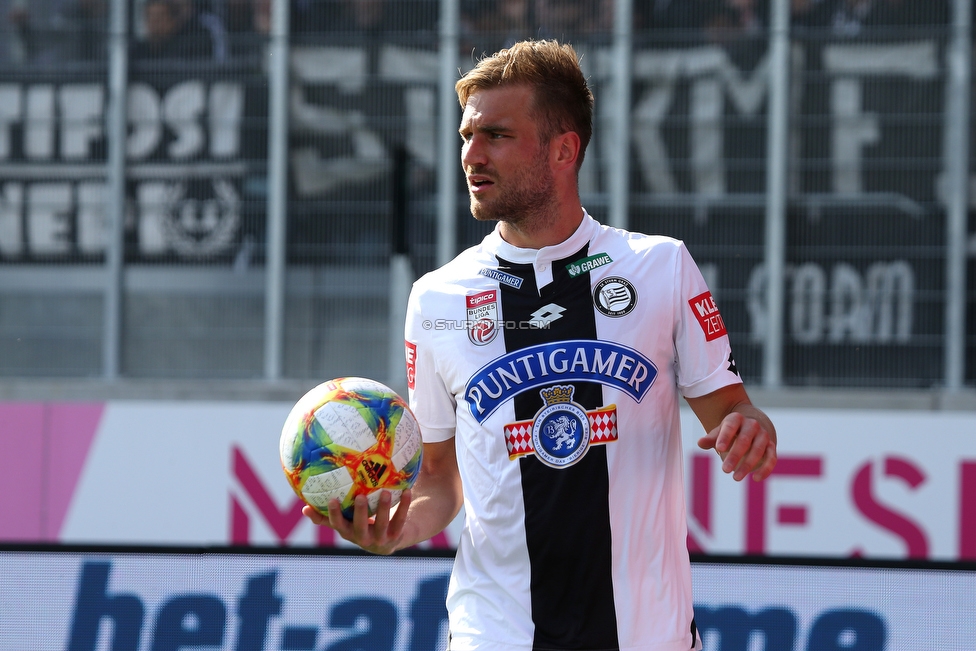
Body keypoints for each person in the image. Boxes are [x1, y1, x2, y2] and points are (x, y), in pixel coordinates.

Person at [303, 39, 777, 651]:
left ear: (563, 149)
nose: (471, 154)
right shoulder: (437, 299)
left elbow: (733, 411)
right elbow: (440, 481)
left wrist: (751, 428)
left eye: (496, 135)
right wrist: (392, 532)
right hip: (497, 633)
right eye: (466, 135)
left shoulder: (661, 268)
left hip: (644, 634)